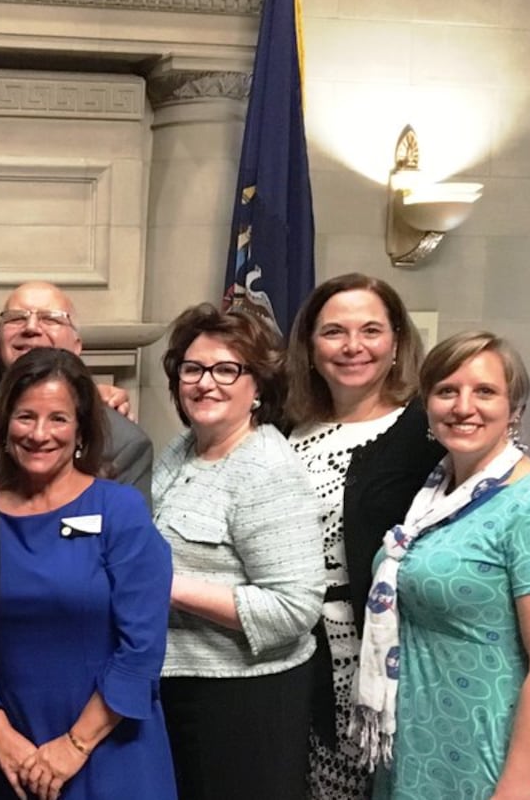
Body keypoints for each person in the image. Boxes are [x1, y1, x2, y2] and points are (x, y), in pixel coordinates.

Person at [357, 332, 530, 800]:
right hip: (432, 744)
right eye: (447, 391)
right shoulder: (435, 496)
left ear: (515, 409)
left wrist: (514, 792)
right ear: (427, 406)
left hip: (501, 756)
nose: (463, 406)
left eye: (484, 391)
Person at [0, 348, 174, 800]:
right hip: (8, 756)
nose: (40, 434)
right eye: (26, 417)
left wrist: (74, 745)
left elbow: (142, 647)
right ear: (4, 425)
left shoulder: (119, 510)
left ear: (81, 428)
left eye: (58, 419)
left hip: (111, 747)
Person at [151, 303, 322, 800]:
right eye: (193, 368)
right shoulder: (182, 448)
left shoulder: (267, 469)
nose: (206, 383)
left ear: (258, 387)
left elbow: (295, 607)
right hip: (183, 685)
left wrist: (168, 587)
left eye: (227, 369)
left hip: (244, 700)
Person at [282, 273, 441, 800]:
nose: (353, 347)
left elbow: (494, 478)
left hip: (380, 656)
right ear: (309, 345)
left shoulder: (425, 426)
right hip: (295, 653)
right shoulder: (288, 428)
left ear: (396, 341)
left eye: (370, 330)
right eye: (334, 332)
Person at [0, 281, 153, 499]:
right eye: (16, 318)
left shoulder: (123, 442)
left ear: (77, 345)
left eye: (50, 318)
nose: (30, 327)